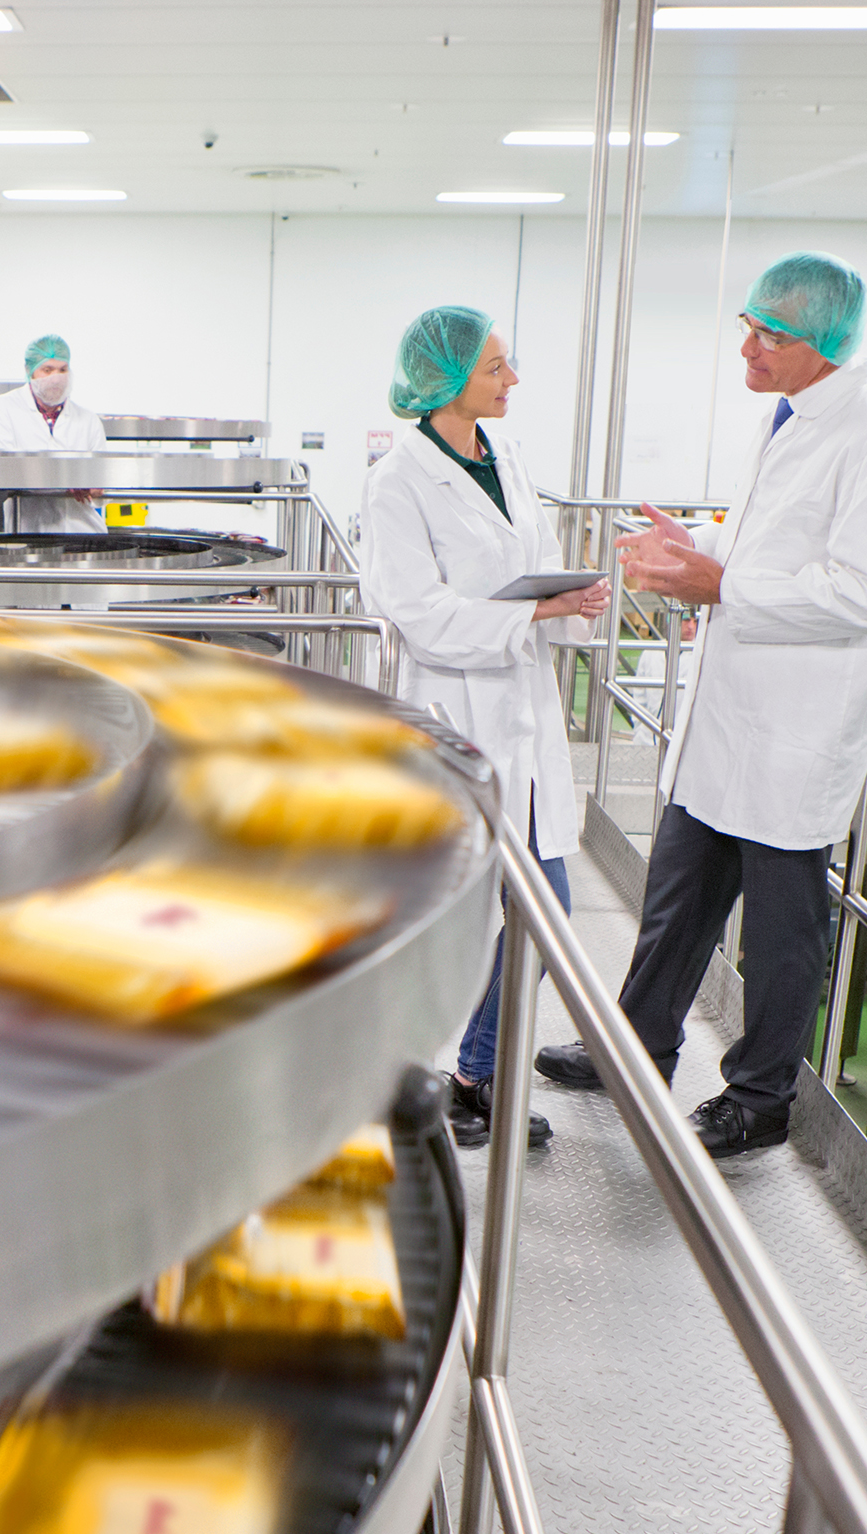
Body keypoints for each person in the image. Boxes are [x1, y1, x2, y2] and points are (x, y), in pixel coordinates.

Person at [534, 251, 867, 1158]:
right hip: (726, 724)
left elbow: (862, 597)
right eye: (747, 325)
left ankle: (758, 1098)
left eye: (771, 334)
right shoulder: (791, 415)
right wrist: (701, 546)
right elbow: (774, 546)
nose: (747, 346)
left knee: (780, 936)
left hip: (793, 734)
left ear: (824, 346)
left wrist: (724, 582)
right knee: (674, 905)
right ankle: (635, 1051)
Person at [361, 306, 611, 1151]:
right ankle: (404, 1080)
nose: (512, 381)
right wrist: (535, 609)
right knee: (448, 922)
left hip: (521, 716)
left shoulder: (505, 456)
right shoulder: (398, 480)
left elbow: (522, 560)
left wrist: (565, 602)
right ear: (449, 377)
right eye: (497, 368)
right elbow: (420, 613)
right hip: (453, 717)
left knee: (541, 911)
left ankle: (471, 1077)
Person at [0, 335, 109, 533]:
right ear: (30, 371)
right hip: (27, 534)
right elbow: (5, 473)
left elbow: (102, 487)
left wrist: (96, 487)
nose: (56, 378)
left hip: (83, 533)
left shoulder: (88, 419)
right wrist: (69, 482)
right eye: (47, 370)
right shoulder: (4, 408)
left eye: (62, 370)